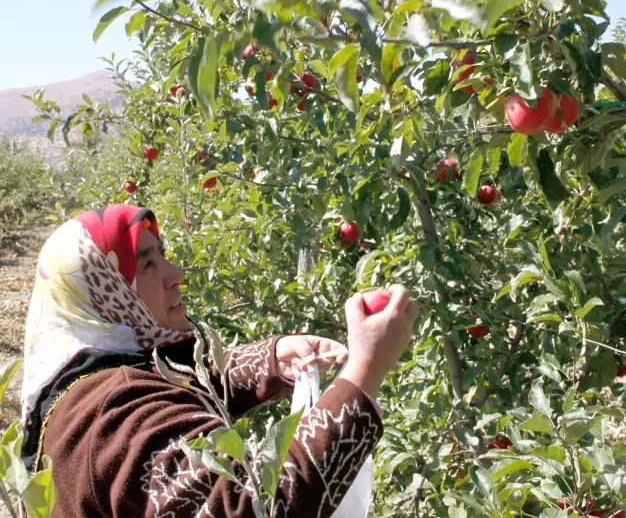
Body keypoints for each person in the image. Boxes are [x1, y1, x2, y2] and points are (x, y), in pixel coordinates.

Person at [19, 204, 419, 518]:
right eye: (146, 264)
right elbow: (249, 506)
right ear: (106, 291)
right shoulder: (117, 416)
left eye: (164, 256)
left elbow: (169, 387)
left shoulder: (84, 381)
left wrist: (271, 361)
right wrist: (364, 372)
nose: (174, 274)